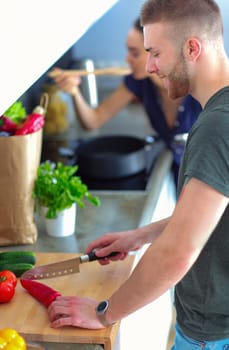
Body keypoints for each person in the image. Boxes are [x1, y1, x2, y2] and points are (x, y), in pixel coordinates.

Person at [47, 1, 229, 349]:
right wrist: (140, 235)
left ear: (192, 48)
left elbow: (178, 252)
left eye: (155, 52)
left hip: (213, 335)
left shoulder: (218, 126)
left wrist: (103, 313)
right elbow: (213, 218)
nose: (148, 66)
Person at [50, 18, 202, 188]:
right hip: (182, 175)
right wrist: (74, 93)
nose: (127, 59)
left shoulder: (198, 83)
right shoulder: (138, 82)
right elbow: (93, 121)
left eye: (134, 53)